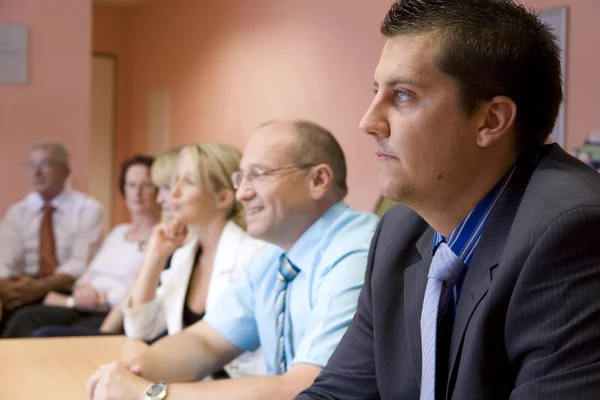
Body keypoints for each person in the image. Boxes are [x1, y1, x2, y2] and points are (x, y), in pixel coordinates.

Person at [297, 1, 600, 399]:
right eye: (376, 93)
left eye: (403, 95)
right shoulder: (397, 232)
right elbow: (337, 394)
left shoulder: (573, 232)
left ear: (491, 121)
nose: (369, 122)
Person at [87, 120, 379, 400]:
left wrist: (149, 394)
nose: (242, 193)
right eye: (242, 178)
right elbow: (204, 342)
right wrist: (128, 373)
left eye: (258, 174)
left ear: (318, 180)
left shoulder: (356, 251)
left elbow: (309, 389)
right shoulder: (273, 257)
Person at [122, 143, 268, 379]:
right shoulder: (185, 255)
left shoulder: (254, 256)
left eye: (188, 182)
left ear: (222, 198)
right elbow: (140, 328)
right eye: (175, 180)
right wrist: (155, 257)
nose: (173, 193)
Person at [1, 155, 162, 337]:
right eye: (131, 185)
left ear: (160, 190)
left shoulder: (161, 238)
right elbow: (88, 274)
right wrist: (82, 289)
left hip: (112, 312)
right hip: (83, 304)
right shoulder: (119, 232)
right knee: (25, 316)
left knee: (43, 334)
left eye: (146, 185)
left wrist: (102, 298)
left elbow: (141, 289)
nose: (137, 193)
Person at [0, 141, 105, 331]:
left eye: (45, 165)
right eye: (31, 165)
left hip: (66, 290)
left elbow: (79, 264)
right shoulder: (17, 213)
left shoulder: (87, 210)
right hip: (22, 288)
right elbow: (4, 262)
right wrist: (11, 289)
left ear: (65, 171)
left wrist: (41, 287)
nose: (36, 172)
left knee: (25, 319)